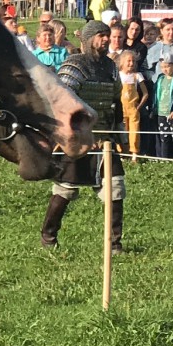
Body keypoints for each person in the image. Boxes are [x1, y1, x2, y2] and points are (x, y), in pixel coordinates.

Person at [42, 20, 127, 250]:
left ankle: (114, 244)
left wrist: (121, 135)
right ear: (89, 39)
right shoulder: (75, 65)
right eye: (101, 35)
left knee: (116, 188)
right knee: (65, 189)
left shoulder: (110, 67)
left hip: (105, 140)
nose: (106, 39)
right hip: (78, 139)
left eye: (107, 35)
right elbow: (62, 102)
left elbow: (116, 102)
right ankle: (48, 237)